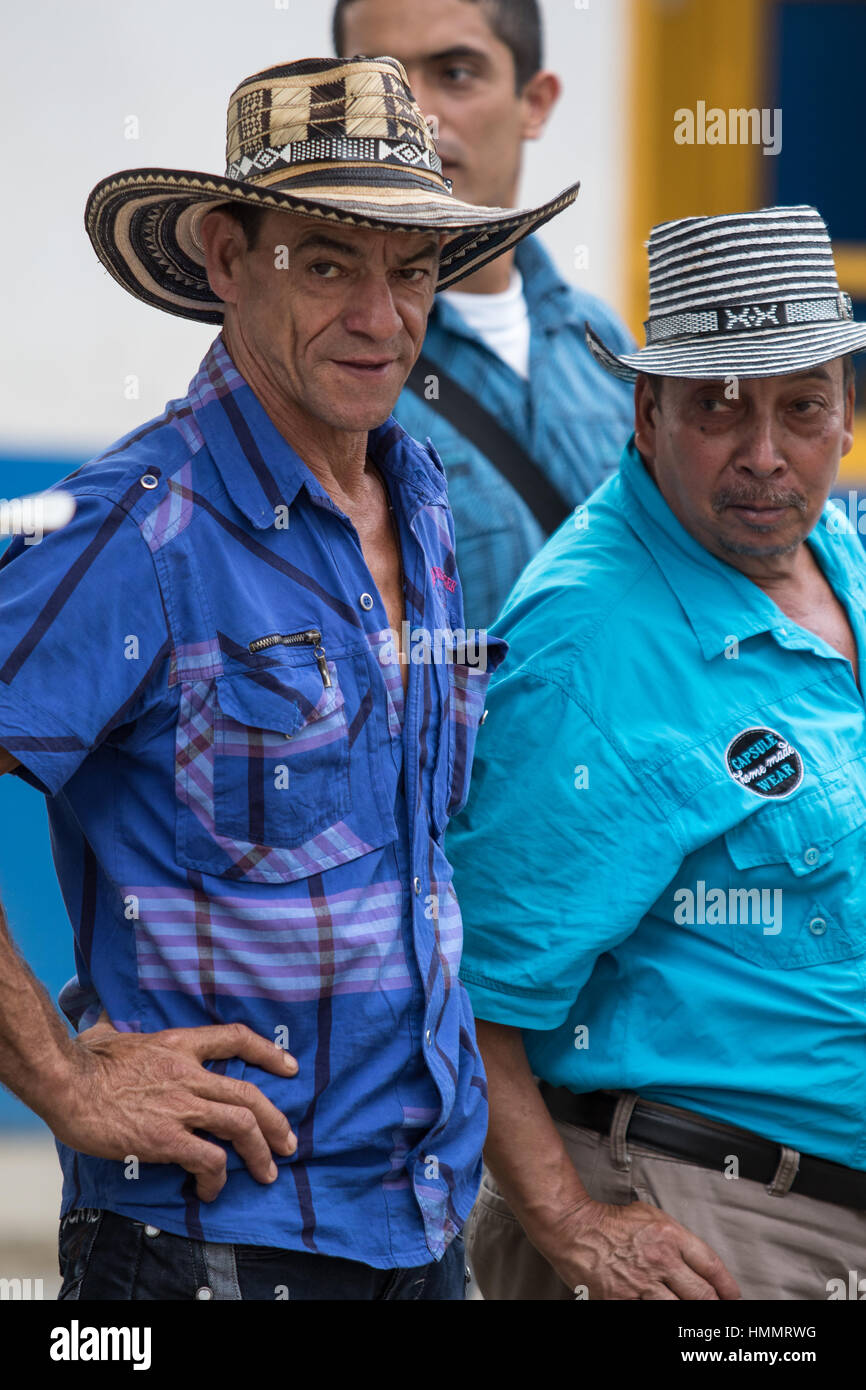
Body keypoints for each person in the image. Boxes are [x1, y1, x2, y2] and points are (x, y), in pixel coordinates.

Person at [0, 54, 579, 1300]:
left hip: (420, 1236)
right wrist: (60, 1071)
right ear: (225, 258)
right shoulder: (134, 528)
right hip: (210, 1253)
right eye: (326, 264)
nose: (380, 317)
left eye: (412, 270)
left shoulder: (416, 503)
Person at [447, 204, 866, 1300]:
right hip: (712, 1229)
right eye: (717, 409)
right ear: (644, 412)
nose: (764, 454)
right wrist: (576, 1230)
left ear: (847, 413)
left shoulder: (838, 548)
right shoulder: (589, 648)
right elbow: (466, 991)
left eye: (800, 407)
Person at [333, 0, 635, 629]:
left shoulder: (598, 338)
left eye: (457, 73)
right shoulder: (329, 355)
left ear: (536, 102)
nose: (414, 118)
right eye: (376, 84)